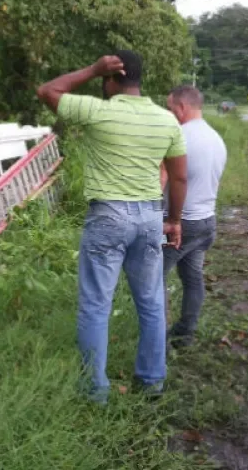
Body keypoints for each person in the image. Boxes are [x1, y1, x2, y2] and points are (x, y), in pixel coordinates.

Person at [36, 51, 188, 403]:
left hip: (107, 215)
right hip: (151, 217)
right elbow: (179, 177)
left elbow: (47, 91)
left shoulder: (98, 111)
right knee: (151, 303)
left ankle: (94, 390)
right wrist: (175, 220)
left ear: (111, 79)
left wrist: (90, 69)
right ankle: (151, 382)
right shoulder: (167, 121)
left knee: (96, 305)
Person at [159, 86, 227, 348]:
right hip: (207, 220)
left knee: (155, 278)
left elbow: (163, 178)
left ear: (182, 107)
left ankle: (158, 342)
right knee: (192, 277)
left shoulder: (178, 137)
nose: (169, 113)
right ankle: (185, 333)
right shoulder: (215, 138)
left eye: (170, 108)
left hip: (181, 221)